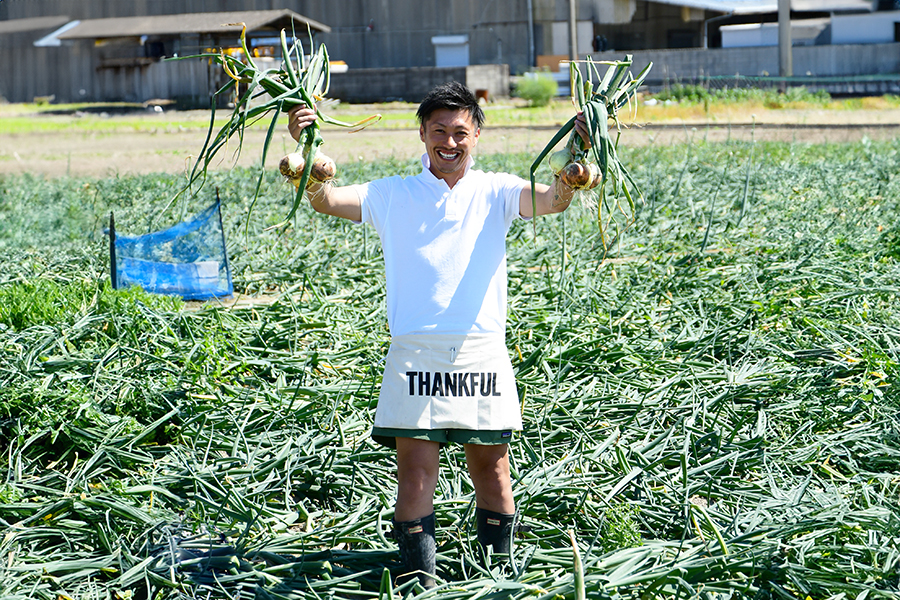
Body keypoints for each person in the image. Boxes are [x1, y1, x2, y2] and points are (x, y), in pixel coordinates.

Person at [288, 81, 590, 588]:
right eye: (439, 131)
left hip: (481, 352)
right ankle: (417, 583)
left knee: (493, 472)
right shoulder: (393, 194)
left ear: (476, 136)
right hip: (415, 352)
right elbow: (327, 200)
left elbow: (555, 198)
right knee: (416, 474)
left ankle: (497, 578)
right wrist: (306, 148)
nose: (449, 142)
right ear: (423, 134)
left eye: (460, 132)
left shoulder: (495, 190)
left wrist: (579, 149)